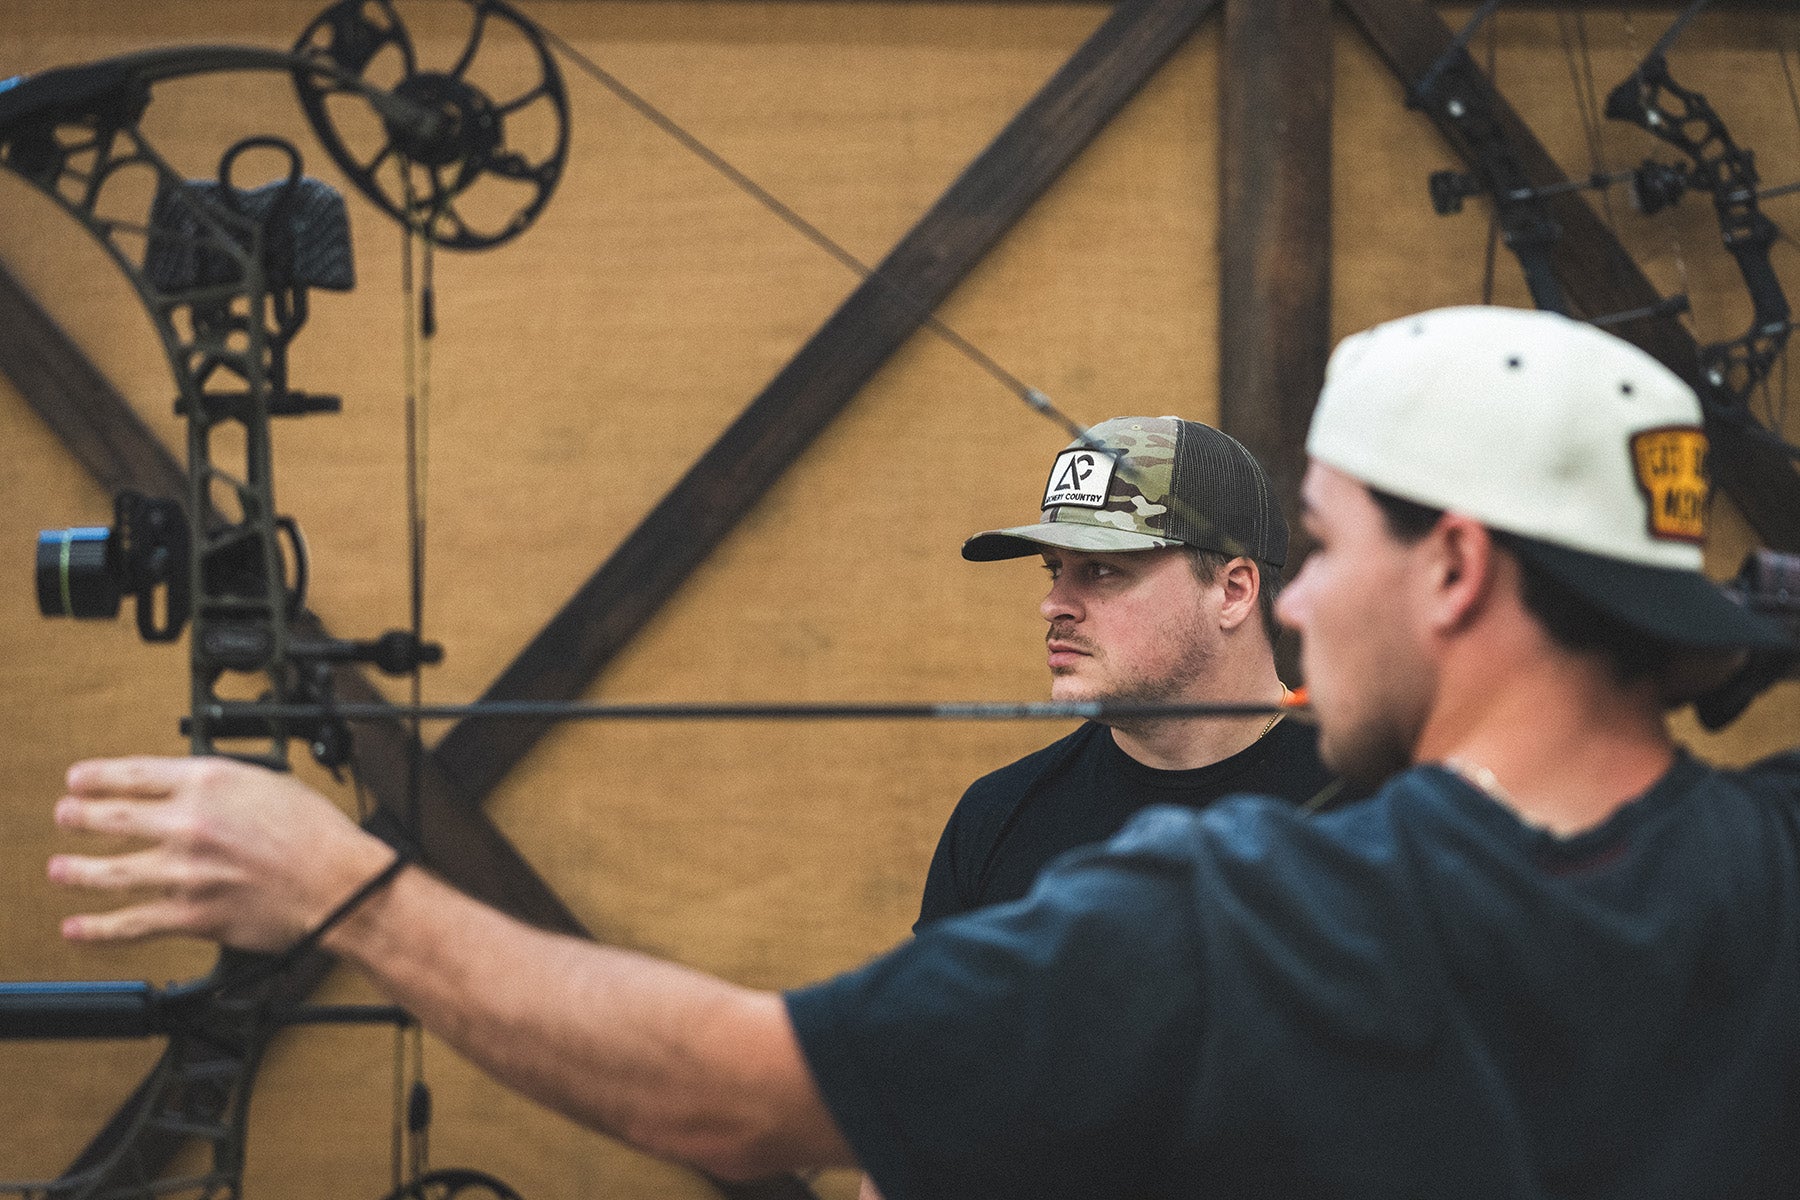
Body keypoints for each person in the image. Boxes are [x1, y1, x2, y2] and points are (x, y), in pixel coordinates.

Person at [47, 306, 1800, 1198]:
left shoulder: (1231, 918)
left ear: (1460, 567)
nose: (1316, 600)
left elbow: (730, 1088)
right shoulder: (1775, 862)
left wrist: (342, 887)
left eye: (1332, 546)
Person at [919, 414, 1345, 928]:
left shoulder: (1372, 810)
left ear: (1233, 591)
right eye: (1055, 570)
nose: (1054, 605)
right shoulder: (997, 817)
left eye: (1102, 570)